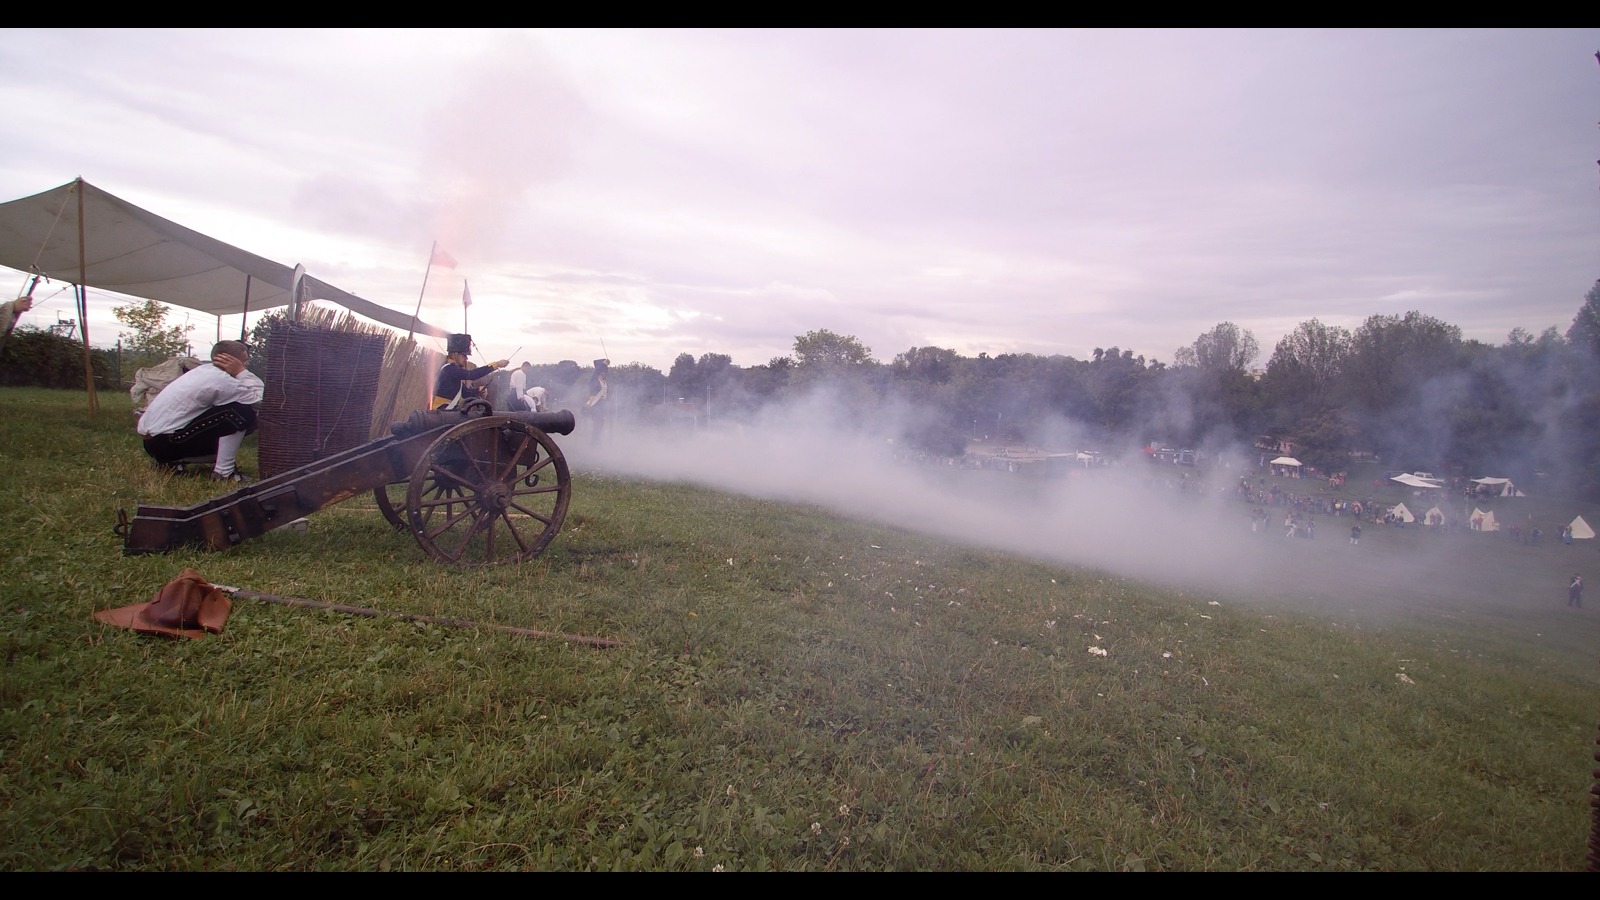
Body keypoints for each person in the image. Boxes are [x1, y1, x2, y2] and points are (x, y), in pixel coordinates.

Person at [137, 340, 264, 482]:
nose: (246, 365)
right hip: (166, 443)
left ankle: (169, 462)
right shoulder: (220, 380)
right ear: (230, 360)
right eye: (244, 361)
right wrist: (241, 372)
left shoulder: (202, 372)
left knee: (234, 412)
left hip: (154, 443)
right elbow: (264, 402)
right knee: (242, 413)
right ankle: (224, 473)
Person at [432, 333, 508, 410]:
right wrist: (496, 365)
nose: (466, 358)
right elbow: (471, 375)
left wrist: (478, 390)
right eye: (464, 355)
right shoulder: (449, 369)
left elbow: (465, 393)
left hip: (448, 410)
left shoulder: (453, 371)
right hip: (441, 410)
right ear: (454, 354)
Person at [586, 357, 610, 444]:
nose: (606, 373)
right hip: (596, 404)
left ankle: (597, 440)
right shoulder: (595, 379)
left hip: (602, 404)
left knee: (601, 423)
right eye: (604, 371)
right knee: (597, 423)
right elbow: (596, 372)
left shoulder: (604, 382)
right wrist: (604, 364)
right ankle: (594, 442)